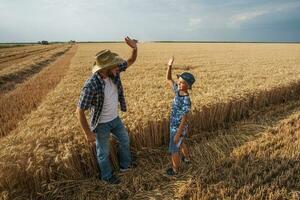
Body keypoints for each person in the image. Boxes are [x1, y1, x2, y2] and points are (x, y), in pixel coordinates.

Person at [76, 36, 138, 184]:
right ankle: (107, 177)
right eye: (115, 65)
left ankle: (125, 166)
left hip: (115, 119)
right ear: (105, 68)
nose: (119, 67)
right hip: (101, 124)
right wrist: (87, 133)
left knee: (124, 140)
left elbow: (130, 61)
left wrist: (134, 48)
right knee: (103, 152)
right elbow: (79, 111)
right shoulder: (91, 85)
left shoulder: (113, 73)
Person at [165, 56, 195, 176]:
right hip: (175, 125)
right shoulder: (178, 90)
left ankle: (175, 170)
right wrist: (169, 65)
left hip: (178, 127)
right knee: (181, 143)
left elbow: (185, 118)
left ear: (188, 86)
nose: (178, 82)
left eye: (182, 82)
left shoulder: (186, 100)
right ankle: (187, 159)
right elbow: (168, 79)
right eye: (179, 80)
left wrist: (177, 133)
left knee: (174, 149)